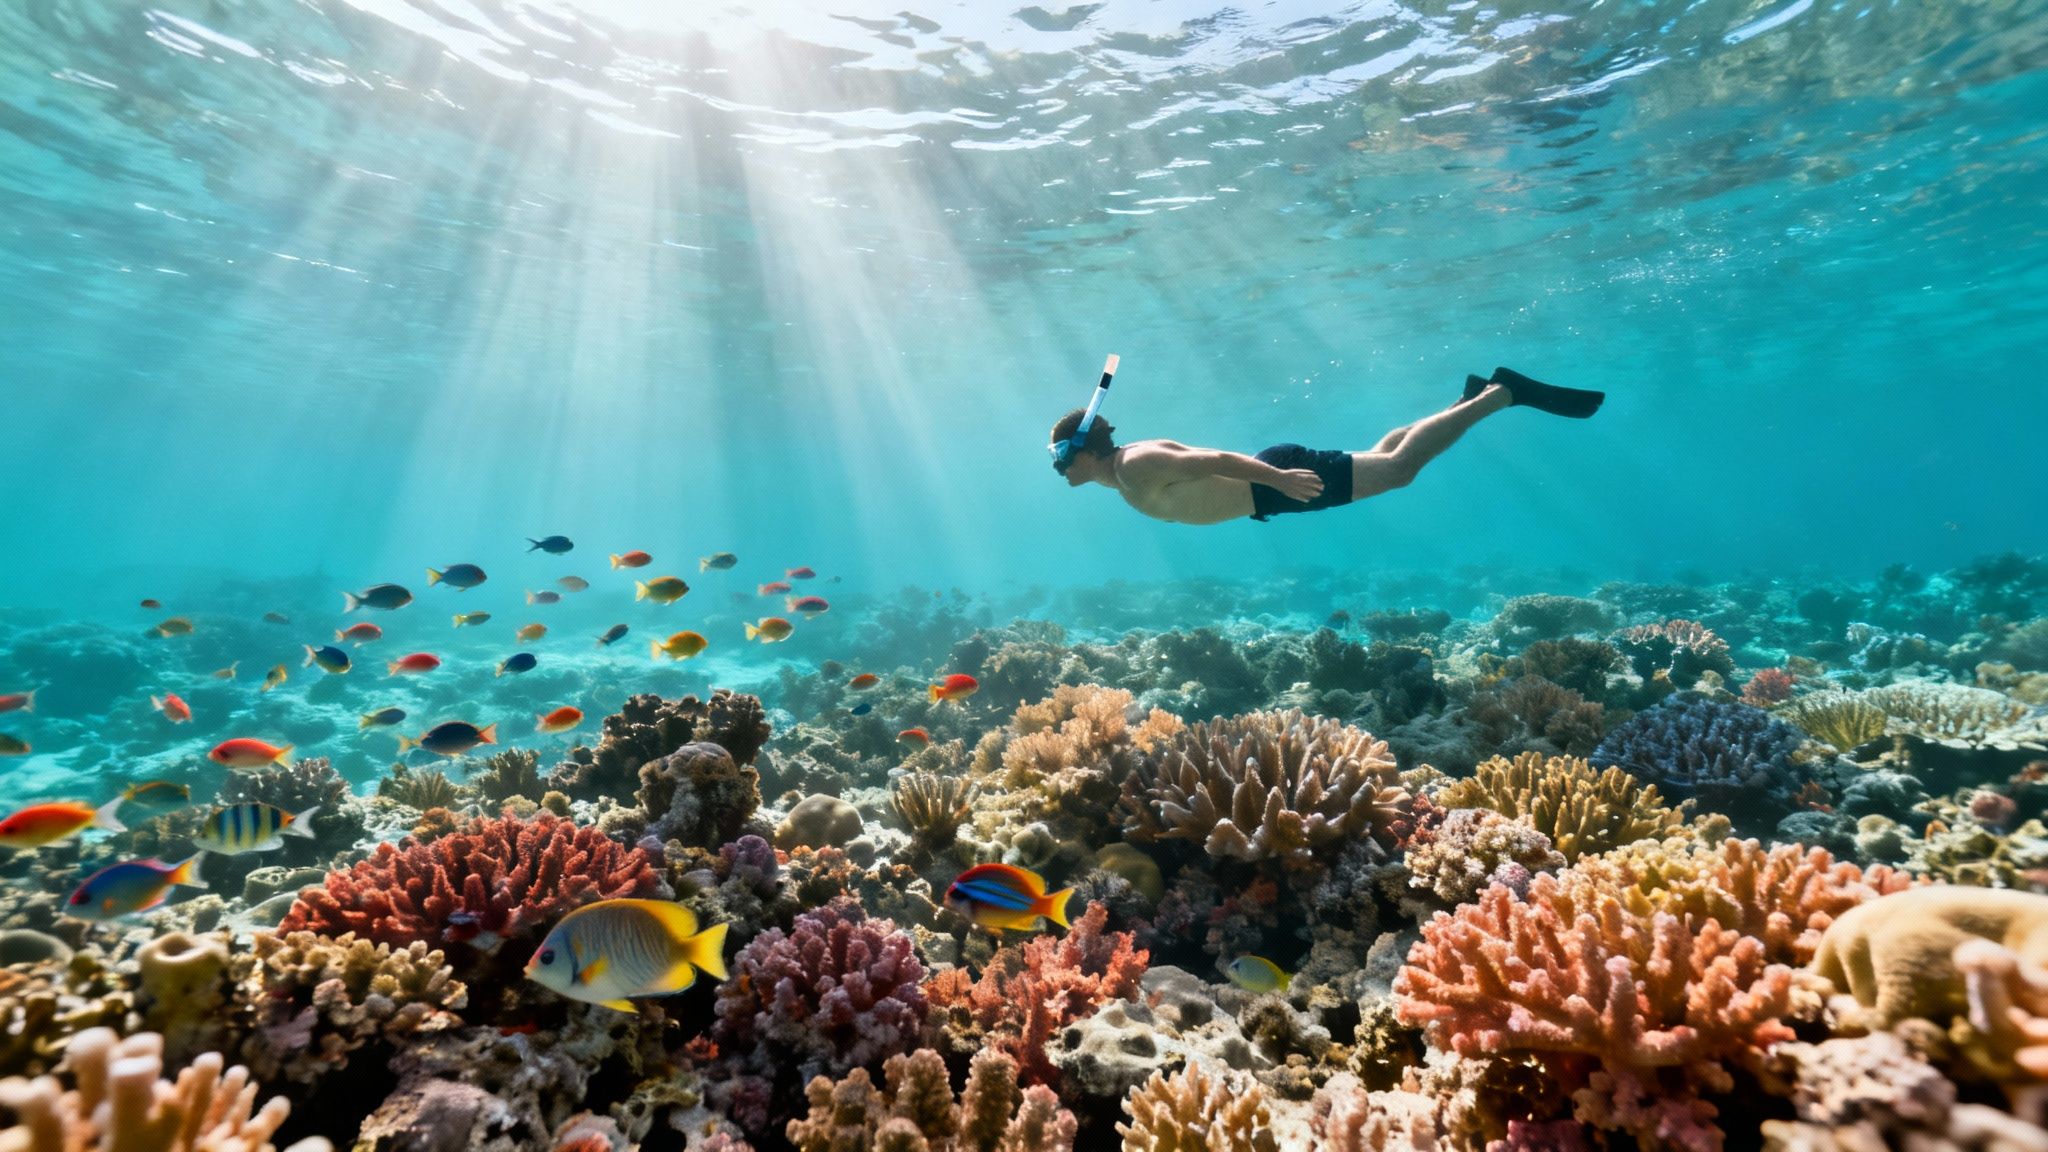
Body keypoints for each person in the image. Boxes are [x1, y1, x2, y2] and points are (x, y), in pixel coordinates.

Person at [1047, 367, 1603, 525]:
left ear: (1081, 449)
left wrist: (1281, 482)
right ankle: (1469, 402)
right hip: (1271, 491)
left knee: (1401, 468)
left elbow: (1213, 460)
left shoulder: (1135, 463)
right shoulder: (1122, 474)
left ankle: (1502, 395)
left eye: (1058, 458)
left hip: (1276, 485)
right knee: (1384, 455)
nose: (1058, 470)